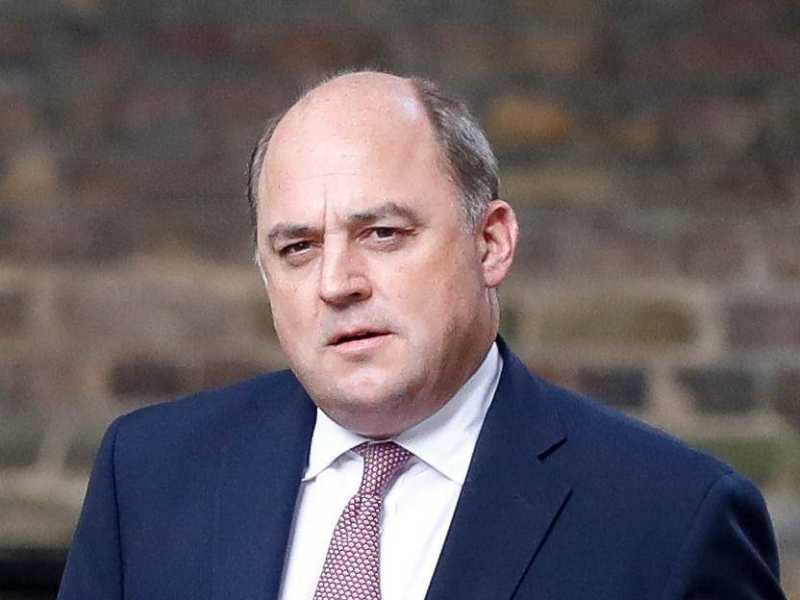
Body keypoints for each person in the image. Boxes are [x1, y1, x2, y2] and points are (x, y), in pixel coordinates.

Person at [58, 71, 786, 600]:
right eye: (297, 248)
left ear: (491, 243)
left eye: (382, 233)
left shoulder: (671, 519)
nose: (337, 282)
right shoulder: (148, 478)